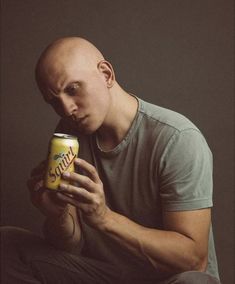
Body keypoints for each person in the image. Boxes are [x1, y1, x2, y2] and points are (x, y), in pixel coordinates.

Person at [1, 37, 221, 284]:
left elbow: (193, 260)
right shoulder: (69, 134)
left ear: (106, 74)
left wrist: (104, 218)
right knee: (7, 244)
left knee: (194, 282)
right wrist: (58, 215)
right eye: (54, 101)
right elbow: (70, 247)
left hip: (167, 279)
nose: (66, 109)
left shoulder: (177, 139)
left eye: (73, 89)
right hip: (105, 275)